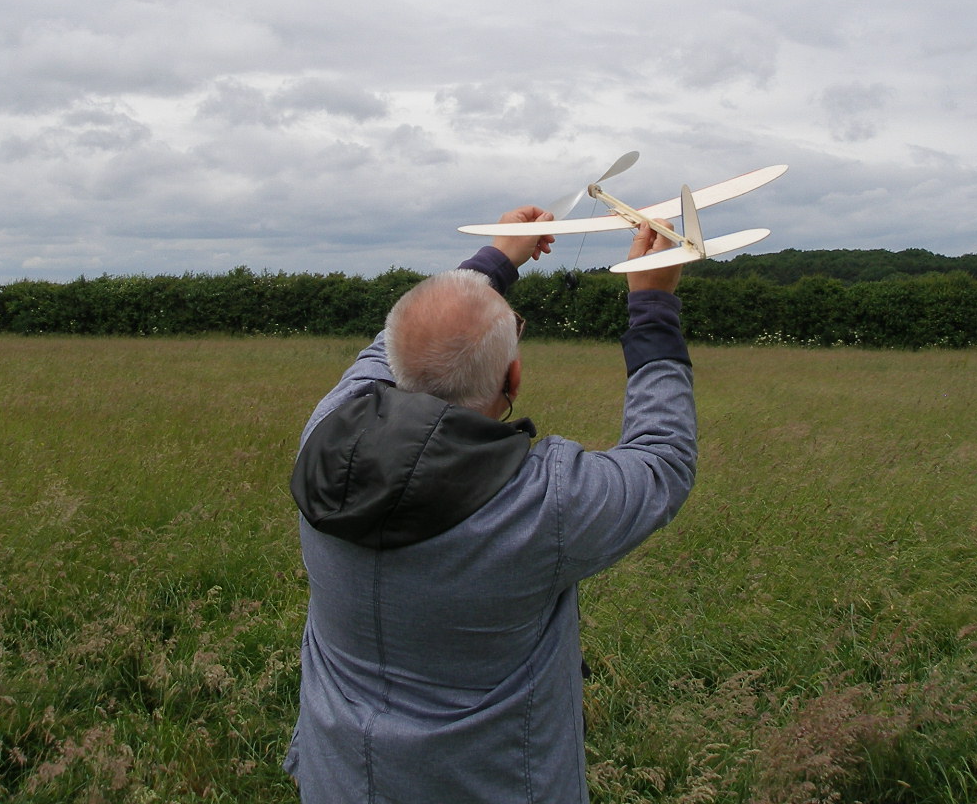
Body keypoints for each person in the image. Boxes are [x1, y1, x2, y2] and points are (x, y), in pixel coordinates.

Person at [284, 206, 696, 803]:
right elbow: (662, 459)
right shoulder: (544, 504)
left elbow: (389, 348)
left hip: (340, 780)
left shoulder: (325, 432)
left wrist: (498, 256)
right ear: (513, 380)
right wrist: (653, 304)